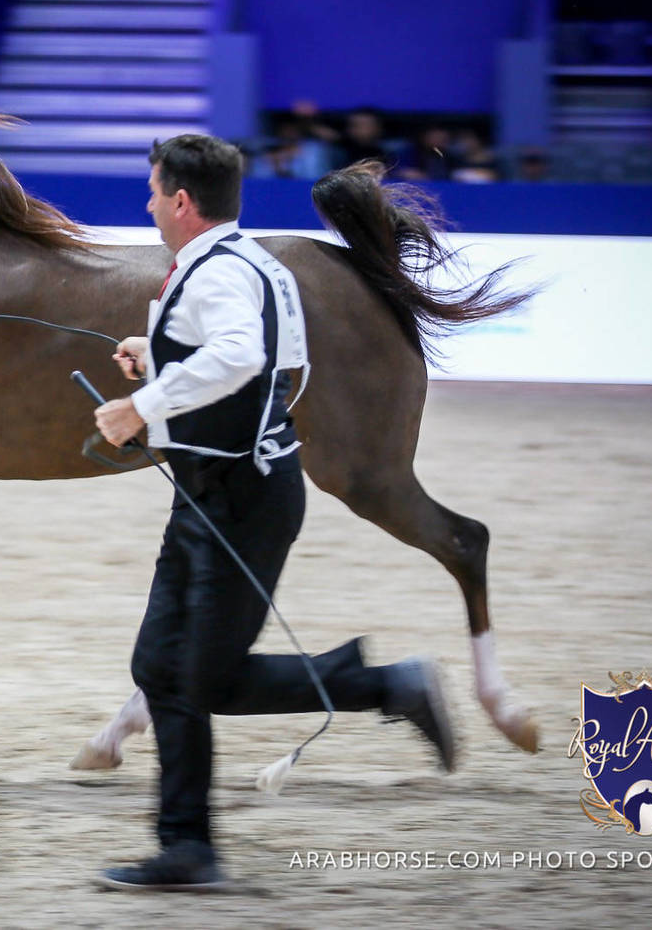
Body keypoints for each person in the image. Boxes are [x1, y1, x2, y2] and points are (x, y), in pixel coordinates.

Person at [91, 134, 457, 892]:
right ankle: (189, 844)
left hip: (241, 498)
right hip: (216, 493)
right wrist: (159, 353)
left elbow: (240, 358)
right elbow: (268, 362)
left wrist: (142, 405)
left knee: (199, 678)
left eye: (155, 192)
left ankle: (194, 844)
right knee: (160, 667)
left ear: (182, 201)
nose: (149, 205)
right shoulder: (252, 263)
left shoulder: (222, 272)